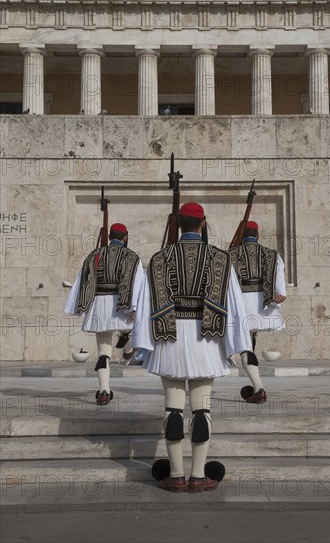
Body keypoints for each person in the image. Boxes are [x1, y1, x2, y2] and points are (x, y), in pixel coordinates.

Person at [133, 203, 252, 493]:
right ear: (202, 224)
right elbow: (235, 306)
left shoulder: (160, 258)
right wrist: (238, 344)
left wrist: (143, 345)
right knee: (202, 409)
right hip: (206, 339)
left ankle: (175, 475)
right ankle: (198, 476)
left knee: (172, 408)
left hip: (169, 337)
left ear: (179, 224)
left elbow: (145, 304)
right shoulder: (221, 259)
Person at [64, 223, 144, 405]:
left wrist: (80, 306)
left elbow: (83, 281)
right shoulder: (132, 257)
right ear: (125, 237)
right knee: (130, 327)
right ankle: (127, 346)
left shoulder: (94, 255)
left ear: (109, 237)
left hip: (99, 305)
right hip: (121, 305)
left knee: (103, 353)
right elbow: (138, 284)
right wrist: (135, 307)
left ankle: (104, 391)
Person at [229, 220, 286, 404]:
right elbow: (280, 289)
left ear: (241, 237)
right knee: (248, 343)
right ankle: (256, 387)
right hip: (262, 306)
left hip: (240, 305)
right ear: (258, 235)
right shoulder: (272, 255)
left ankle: (259, 389)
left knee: (245, 347)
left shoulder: (230, 255)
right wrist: (278, 296)